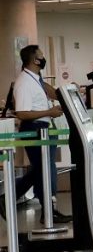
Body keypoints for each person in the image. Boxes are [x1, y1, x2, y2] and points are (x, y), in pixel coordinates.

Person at [0, 45, 72, 223]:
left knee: (44, 170)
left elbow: (49, 91)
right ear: (34, 60)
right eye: (41, 56)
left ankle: (46, 209)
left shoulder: (35, 79)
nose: (43, 58)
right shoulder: (23, 83)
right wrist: (49, 112)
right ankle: (44, 208)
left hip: (44, 128)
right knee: (44, 169)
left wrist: (67, 94)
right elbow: (22, 113)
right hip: (35, 129)